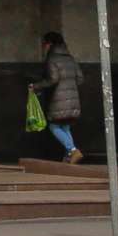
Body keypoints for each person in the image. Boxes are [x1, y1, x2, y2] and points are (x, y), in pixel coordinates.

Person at [29, 30, 84, 165]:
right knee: (65, 127)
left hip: (58, 99)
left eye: (45, 44)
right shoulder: (70, 58)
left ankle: (72, 150)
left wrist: (36, 86)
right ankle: (68, 157)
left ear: (50, 44)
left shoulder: (52, 58)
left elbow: (53, 79)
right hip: (73, 99)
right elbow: (80, 79)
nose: (44, 47)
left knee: (54, 126)